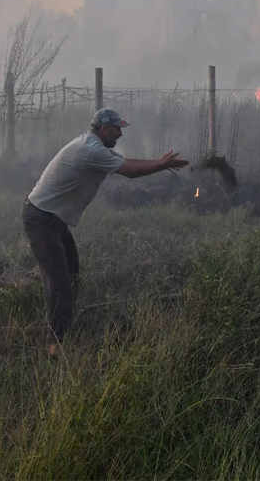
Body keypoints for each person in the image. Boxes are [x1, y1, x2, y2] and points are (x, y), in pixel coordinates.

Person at [22, 108, 189, 355]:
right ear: (103, 129)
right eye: (117, 128)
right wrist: (160, 165)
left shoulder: (93, 145)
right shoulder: (91, 150)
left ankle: (64, 325)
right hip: (41, 218)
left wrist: (160, 163)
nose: (120, 133)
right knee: (60, 282)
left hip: (51, 220)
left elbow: (127, 162)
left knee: (71, 274)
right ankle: (55, 347)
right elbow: (130, 172)